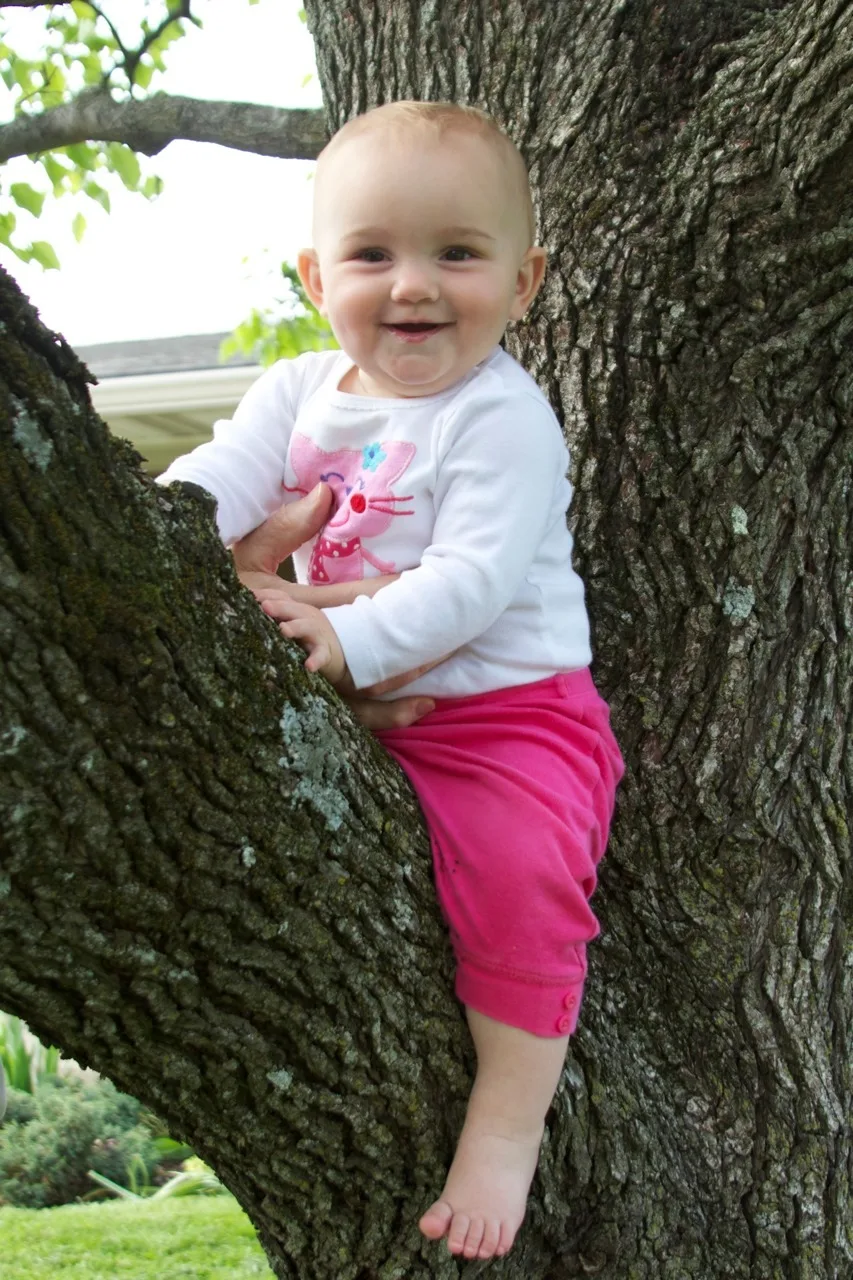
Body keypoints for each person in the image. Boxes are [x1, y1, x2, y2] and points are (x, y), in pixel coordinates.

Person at [158, 100, 624, 1262]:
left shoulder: (499, 418)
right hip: (359, 701)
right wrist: (166, 525)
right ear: (317, 275)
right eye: (374, 253)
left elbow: (468, 585)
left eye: (456, 254)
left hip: (509, 719)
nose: (412, 284)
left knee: (524, 877)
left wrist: (333, 634)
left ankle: (505, 1129)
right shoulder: (298, 394)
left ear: (524, 283)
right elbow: (221, 477)